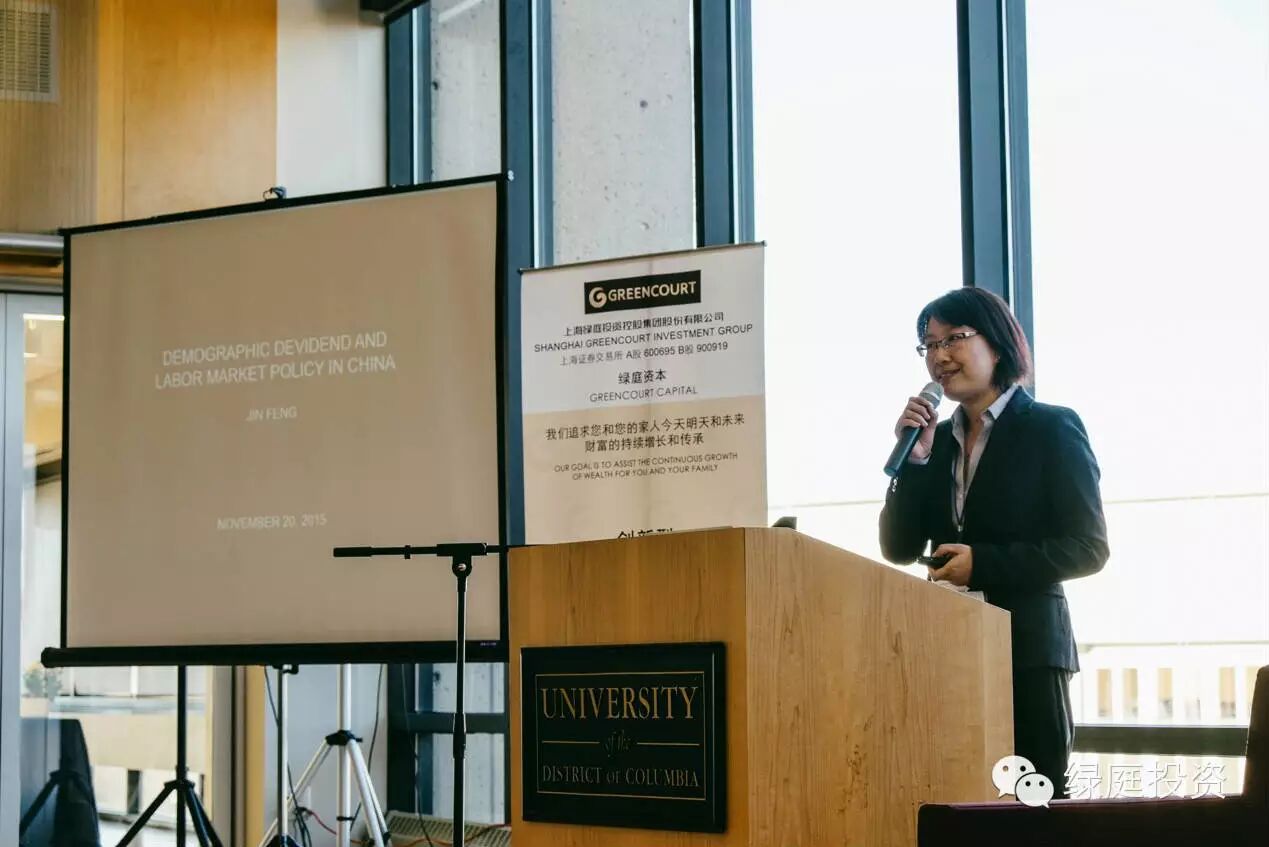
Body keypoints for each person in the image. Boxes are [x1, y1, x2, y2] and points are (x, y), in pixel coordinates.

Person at [879, 287, 1109, 796]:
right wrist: (914, 462)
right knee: (954, 805)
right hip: (948, 650)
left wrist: (982, 564)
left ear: (998, 345)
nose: (939, 356)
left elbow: (1088, 548)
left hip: (1026, 653)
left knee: (1032, 806)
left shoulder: (1051, 428)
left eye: (953, 339)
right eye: (929, 345)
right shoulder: (934, 441)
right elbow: (898, 548)